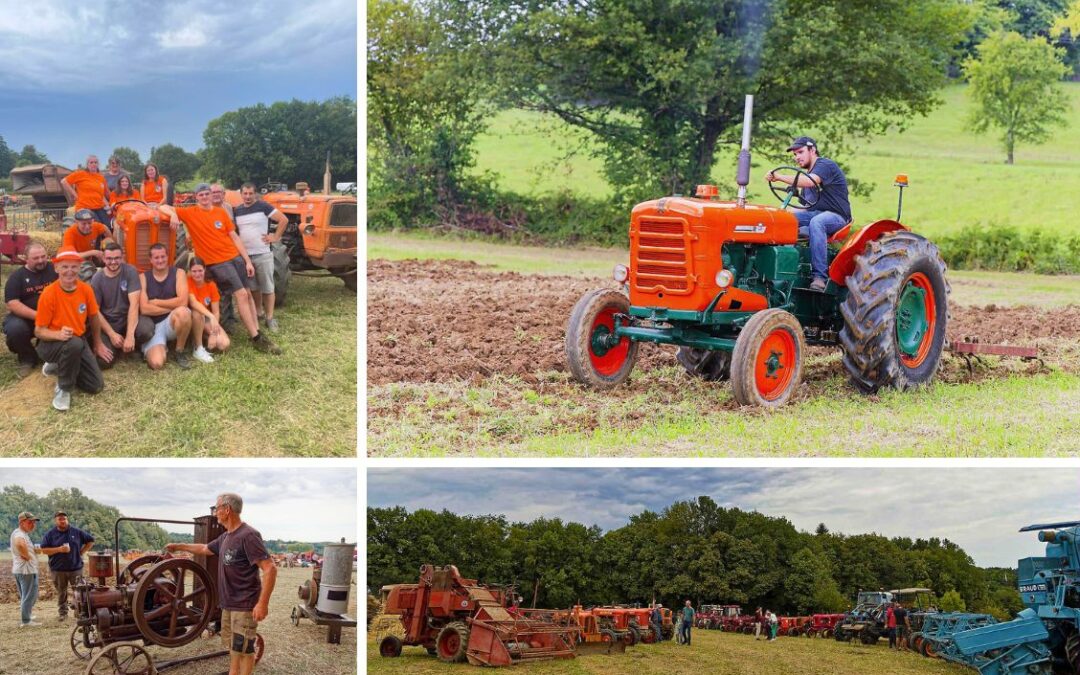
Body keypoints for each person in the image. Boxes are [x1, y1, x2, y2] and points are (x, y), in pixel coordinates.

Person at [157, 184, 281, 355]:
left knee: (248, 294)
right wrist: (172, 214)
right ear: (196, 197)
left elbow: (234, 237)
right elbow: (162, 206)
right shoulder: (189, 212)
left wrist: (247, 261)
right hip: (217, 262)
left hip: (235, 257)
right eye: (201, 194)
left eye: (207, 194)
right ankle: (256, 338)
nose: (205, 197)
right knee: (242, 295)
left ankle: (257, 330)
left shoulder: (220, 212)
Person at [165, 492, 277, 675]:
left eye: (217, 508)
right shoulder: (226, 537)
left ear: (227, 510)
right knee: (234, 646)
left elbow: (270, 568)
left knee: (245, 649)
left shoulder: (248, 535)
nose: (215, 512)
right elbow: (203, 548)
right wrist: (178, 546)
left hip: (244, 604)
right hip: (228, 604)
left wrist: (262, 603)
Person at [764, 136, 852, 291]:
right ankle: (780, 270)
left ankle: (819, 277)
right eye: (795, 154)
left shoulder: (825, 165)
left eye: (800, 152)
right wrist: (782, 213)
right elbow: (805, 208)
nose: (797, 157)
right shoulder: (804, 180)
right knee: (784, 219)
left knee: (817, 222)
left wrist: (779, 177)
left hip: (837, 217)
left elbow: (810, 181)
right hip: (815, 214)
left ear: (812, 150)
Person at [35, 248, 106, 412]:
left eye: (74, 267)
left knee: (96, 386)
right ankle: (64, 388)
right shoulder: (49, 293)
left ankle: (59, 367)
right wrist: (57, 334)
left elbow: (94, 316)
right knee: (73, 343)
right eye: (65, 266)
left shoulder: (86, 289)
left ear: (80, 268)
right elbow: (39, 332)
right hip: (50, 344)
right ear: (56, 268)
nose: (69, 271)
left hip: (77, 341)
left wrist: (98, 342)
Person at [233, 182, 288, 332]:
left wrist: (275, 237)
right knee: (253, 287)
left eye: (251, 193)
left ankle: (270, 318)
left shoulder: (264, 207)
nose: (248, 196)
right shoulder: (237, 211)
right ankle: (259, 312)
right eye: (245, 193)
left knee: (268, 287)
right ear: (241, 194)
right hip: (246, 257)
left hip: (263, 253)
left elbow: (283, 220)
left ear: (255, 194)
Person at [90, 243, 154, 366]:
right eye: (109, 258)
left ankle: (131, 344)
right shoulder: (97, 279)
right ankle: (119, 346)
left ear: (122, 257)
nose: (113, 262)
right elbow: (95, 311)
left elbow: (134, 304)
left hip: (128, 319)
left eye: (117, 258)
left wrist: (130, 335)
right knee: (103, 362)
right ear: (103, 258)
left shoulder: (130, 271)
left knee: (147, 330)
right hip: (109, 323)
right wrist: (112, 334)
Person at [3, 241, 57, 378]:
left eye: (43, 256)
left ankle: (43, 351)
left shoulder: (54, 269)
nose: (41, 261)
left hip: (53, 315)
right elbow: (12, 303)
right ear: (26, 258)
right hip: (26, 318)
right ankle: (27, 358)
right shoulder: (17, 277)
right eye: (36, 258)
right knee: (15, 328)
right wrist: (39, 316)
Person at [139, 243, 193, 370]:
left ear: (168, 257)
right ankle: (160, 347)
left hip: (172, 321)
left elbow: (183, 302)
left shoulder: (179, 273)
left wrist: (157, 302)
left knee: (183, 312)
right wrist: (173, 305)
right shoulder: (143, 277)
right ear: (150, 260)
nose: (160, 260)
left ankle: (179, 351)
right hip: (153, 327)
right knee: (156, 364)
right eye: (156, 258)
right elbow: (144, 309)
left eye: (163, 256)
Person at [38, 511, 94, 621]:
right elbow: (44, 550)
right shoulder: (50, 534)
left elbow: (91, 540)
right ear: (56, 521)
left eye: (64, 518)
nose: (63, 521)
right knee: (61, 592)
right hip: (58, 569)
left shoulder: (76, 532)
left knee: (79, 591)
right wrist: (59, 549)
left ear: (67, 520)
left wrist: (81, 552)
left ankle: (81, 612)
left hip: (76, 568)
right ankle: (63, 613)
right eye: (60, 519)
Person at [187, 256, 230, 362]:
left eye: (200, 270)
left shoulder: (211, 285)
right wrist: (211, 316)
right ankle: (198, 347)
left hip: (205, 317)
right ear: (190, 271)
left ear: (205, 269)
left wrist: (214, 334)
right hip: (191, 316)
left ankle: (203, 336)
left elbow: (216, 311)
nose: (197, 274)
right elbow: (193, 303)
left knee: (224, 344)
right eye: (194, 271)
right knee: (198, 313)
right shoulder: (187, 281)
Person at [62, 208, 117, 280]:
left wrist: (110, 240)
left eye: (89, 223)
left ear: (93, 221)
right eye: (83, 224)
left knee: (109, 243)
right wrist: (93, 252)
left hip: (92, 257)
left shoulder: (96, 226)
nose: (87, 226)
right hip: (77, 261)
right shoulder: (69, 233)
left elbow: (105, 228)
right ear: (77, 222)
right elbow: (70, 256)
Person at [10, 511, 41, 628]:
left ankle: (27, 614)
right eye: (30, 522)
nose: (33, 525)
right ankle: (26, 621)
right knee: (30, 595)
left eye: (34, 522)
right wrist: (27, 556)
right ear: (22, 522)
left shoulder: (21, 533)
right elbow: (20, 544)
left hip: (21, 570)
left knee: (26, 595)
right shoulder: (19, 534)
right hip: (26, 570)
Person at [62, 155, 111, 228]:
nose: (93, 164)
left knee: (108, 226)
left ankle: (107, 239)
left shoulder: (101, 178)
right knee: (97, 227)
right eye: (91, 162)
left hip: (99, 207)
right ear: (87, 165)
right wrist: (75, 194)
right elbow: (64, 181)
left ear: (98, 164)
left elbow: (103, 195)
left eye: (95, 162)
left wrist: (111, 204)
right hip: (85, 207)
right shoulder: (80, 174)